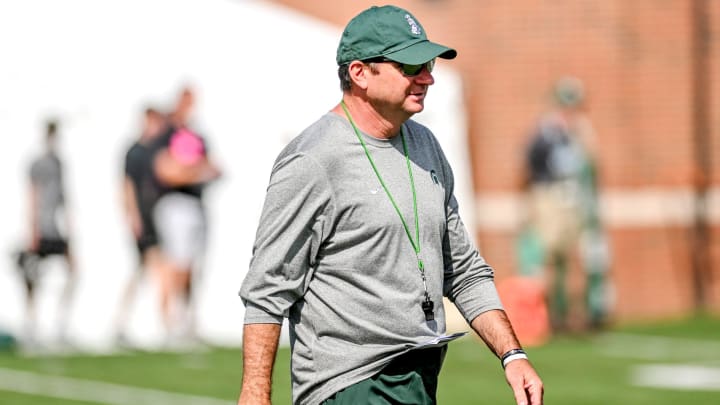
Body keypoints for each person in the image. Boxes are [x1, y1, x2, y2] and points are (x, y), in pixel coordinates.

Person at [238, 5, 543, 405]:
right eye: (410, 65)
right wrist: (256, 392)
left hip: (420, 377)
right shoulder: (312, 160)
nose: (427, 77)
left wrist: (512, 355)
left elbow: (464, 270)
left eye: (428, 63)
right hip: (350, 386)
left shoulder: (426, 145)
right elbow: (268, 287)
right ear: (359, 73)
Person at [524, 77, 611, 332]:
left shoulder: (579, 134)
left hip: (575, 201)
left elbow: (594, 164)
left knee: (575, 258)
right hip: (550, 197)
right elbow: (530, 169)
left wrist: (583, 135)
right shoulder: (545, 132)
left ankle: (576, 314)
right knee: (550, 257)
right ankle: (550, 316)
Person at [150, 86, 221, 345]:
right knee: (175, 266)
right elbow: (166, 172)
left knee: (191, 267)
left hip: (195, 205)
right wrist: (194, 172)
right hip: (174, 205)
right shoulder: (166, 135)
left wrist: (191, 171)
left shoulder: (198, 136)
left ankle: (187, 321)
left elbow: (214, 167)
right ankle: (169, 323)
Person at [14, 119, 77, 348]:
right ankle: (30, 324)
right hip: (41, 228)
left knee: (73, 271)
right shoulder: (38, 164)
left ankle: (61, 324)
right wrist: (32, 229)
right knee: (32, 277)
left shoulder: (60, 163)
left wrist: (70, 227)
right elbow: (32, 195)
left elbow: (64, 197)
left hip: (56, 228)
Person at [114, 106, 167, 346]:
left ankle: (127, 323)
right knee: (152, 270)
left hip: (153, 217)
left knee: (147, 270)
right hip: (143, 220)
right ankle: (161, 324)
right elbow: (126, 185)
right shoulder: (135, 152)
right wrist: (132, 216)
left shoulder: (154, 152)